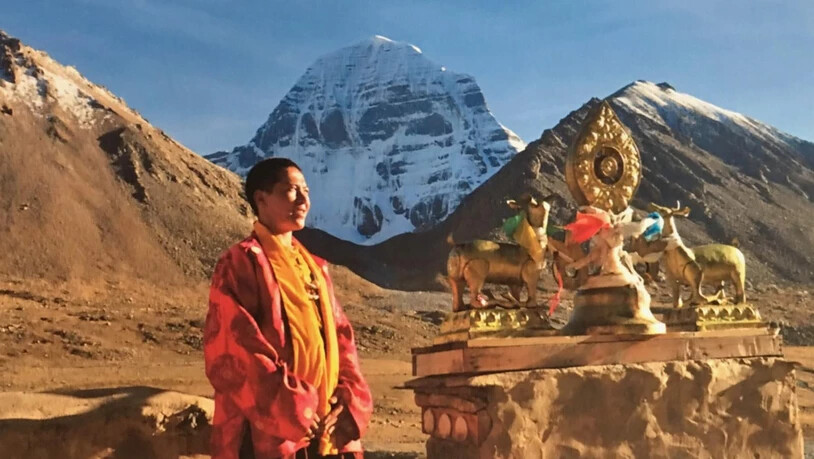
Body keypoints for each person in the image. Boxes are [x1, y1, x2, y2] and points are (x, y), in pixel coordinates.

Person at [204, 157, 372, 459]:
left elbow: (342, 339)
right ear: (261, 199)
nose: (304, 200)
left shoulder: (316, 267)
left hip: (327, 427)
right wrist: (293, 406)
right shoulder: (241, 262)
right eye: (291, 191)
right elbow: (235, 345)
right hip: (270, 428)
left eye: (306, 190)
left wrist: (346, 401)